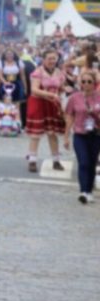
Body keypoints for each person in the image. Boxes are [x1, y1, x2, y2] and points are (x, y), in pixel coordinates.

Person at [26, 50, 67, 172]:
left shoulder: (59, 72)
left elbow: (61, 88)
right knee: (36, 134)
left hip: (52, 104)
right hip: (38, 103)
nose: (52, 61)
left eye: (54, 58)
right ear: (43, 59)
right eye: (49, 58)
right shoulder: (38, 72)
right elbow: (34, 90)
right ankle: (32, 160)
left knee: (52, 133)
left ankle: (56, 160)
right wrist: (50, 94)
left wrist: (64, 89)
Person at [64, 70, 100, 203]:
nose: (86, 84)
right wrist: (66, 136)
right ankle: (83, 191)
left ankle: (89, 190)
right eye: (83, 81)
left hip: (96, 134)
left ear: (94, 83)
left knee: (91, 163)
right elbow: (69, 117)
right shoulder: (74, 98)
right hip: (80, 134)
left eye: (89, 81)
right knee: (83, 162)